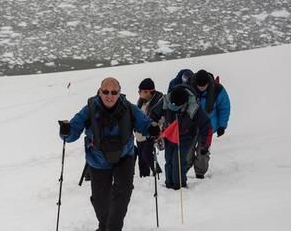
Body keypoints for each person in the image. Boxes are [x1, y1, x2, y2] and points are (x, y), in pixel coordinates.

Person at [58, 77, 160, 231]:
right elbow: (73, 131)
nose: (109, 96)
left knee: (123, 193)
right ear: (100, 92)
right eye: (106, 91)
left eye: (114, 92)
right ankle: (104, 226)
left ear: (119, 93)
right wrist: (66, 131)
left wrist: (152, 128)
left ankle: (113, 228)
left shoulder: (129, 108)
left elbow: (143, 123)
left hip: (124, 157)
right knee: (100, 200)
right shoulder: (90, 109)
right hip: (98, 160)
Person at [149, 85, 212, 189]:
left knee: (177, 160)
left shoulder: (194, 107)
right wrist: (153, 128)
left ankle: (179, 186)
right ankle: (169, 184)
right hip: (170, 134)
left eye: (176, 106)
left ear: (184, 103)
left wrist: (205, 145)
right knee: (168, 160)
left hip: (186, 137)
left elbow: (206, 125)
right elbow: (153, 114)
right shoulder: (166, 100)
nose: (173, 107)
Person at [187, 69, 231, 179]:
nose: (201, 88)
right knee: (187, 149)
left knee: (203, 151)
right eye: (199, 85)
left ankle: (200, 173)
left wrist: (222, 125)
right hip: (190, 125)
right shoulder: (188, 88)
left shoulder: (218, 90)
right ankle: (184, 169)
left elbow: (224, 108)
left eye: (204, 85)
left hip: (208, 127)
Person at [135, 78, 163, 177]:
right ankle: (144, 176)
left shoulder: (158, 102)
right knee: (141, 157)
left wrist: (156, 128)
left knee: (147, 154)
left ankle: (157, 172)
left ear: (147, 92)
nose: (139, 93)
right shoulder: (141, 101)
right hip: (139, 134)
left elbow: (161, 118)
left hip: (150, 133)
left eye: (140, 91)